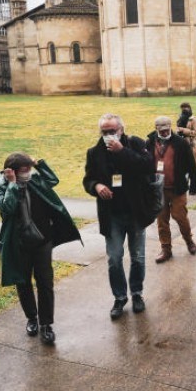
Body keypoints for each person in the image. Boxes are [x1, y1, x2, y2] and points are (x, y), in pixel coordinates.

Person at [0, 153, 82, 345]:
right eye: (24, 171)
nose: (28, 173)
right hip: (19, 242)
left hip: (43, 239)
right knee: (23, 283)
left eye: (29, 169)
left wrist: (38, 163)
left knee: (45, 282)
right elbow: (7, 207)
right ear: (12, 171)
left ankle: (46, 324)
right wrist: (13, 184)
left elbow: (53, 180)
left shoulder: (35, 178)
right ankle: (32, 318)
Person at [83, 113, 155, 319]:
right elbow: (88, 179)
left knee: (138, 257)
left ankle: (137, 294)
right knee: (114, 259)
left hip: (135, 212)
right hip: (111, 214)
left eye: (112, 131)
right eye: (104, 132)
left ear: (121, 129)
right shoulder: (94, 152)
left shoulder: (135, 143)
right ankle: (120, 297)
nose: (108, 135)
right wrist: (96, 186)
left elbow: (147, 165)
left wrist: (122, 151)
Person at [146, 116, 196, 263]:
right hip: (158, 189)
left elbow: (191, 165)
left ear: (170, 127)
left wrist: (194, 185)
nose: (164, 133)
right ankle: (166, 249)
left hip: (177, 188)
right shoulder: (150, 142)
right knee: (162, 220)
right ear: (157, 129)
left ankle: (189, 241)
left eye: (167, 130)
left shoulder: (180, 143)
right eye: (161, 131)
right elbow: (145, 163)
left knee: (180, 216)